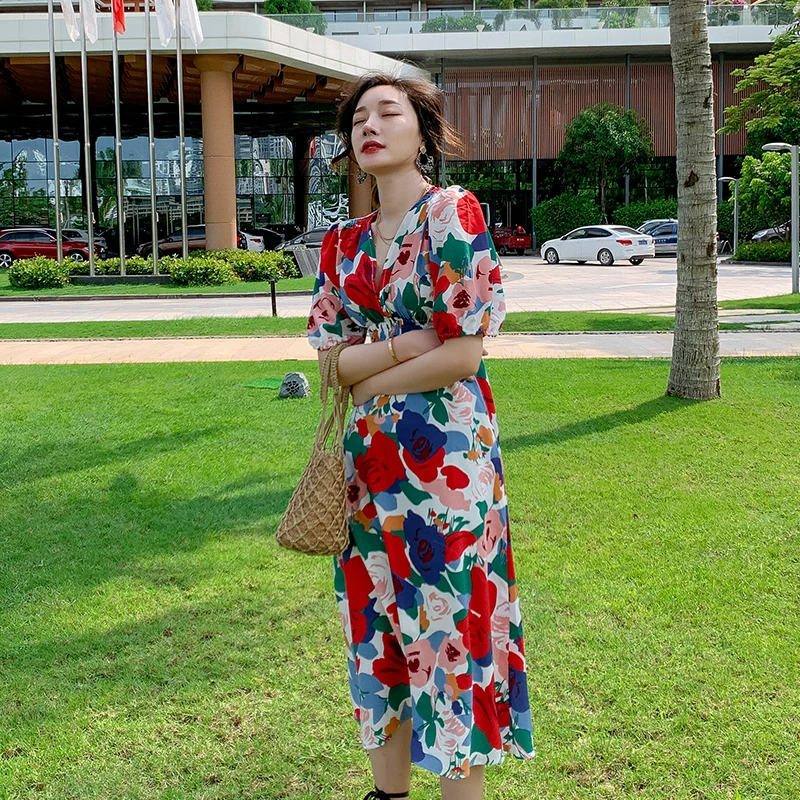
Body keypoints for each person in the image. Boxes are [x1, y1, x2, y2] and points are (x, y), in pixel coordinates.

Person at [307, 72, 534, 800]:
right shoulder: (341, 244)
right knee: (375, 631)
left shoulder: (451, 213)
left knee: (447, 633)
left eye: (387, 113)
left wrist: (370, 371)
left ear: (423, 132)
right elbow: (331, 363)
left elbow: (465, 354)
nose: (369, 127)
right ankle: (388, 794)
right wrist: (410, 344)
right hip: (367, 475)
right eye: (358, 120)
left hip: (448, 472)